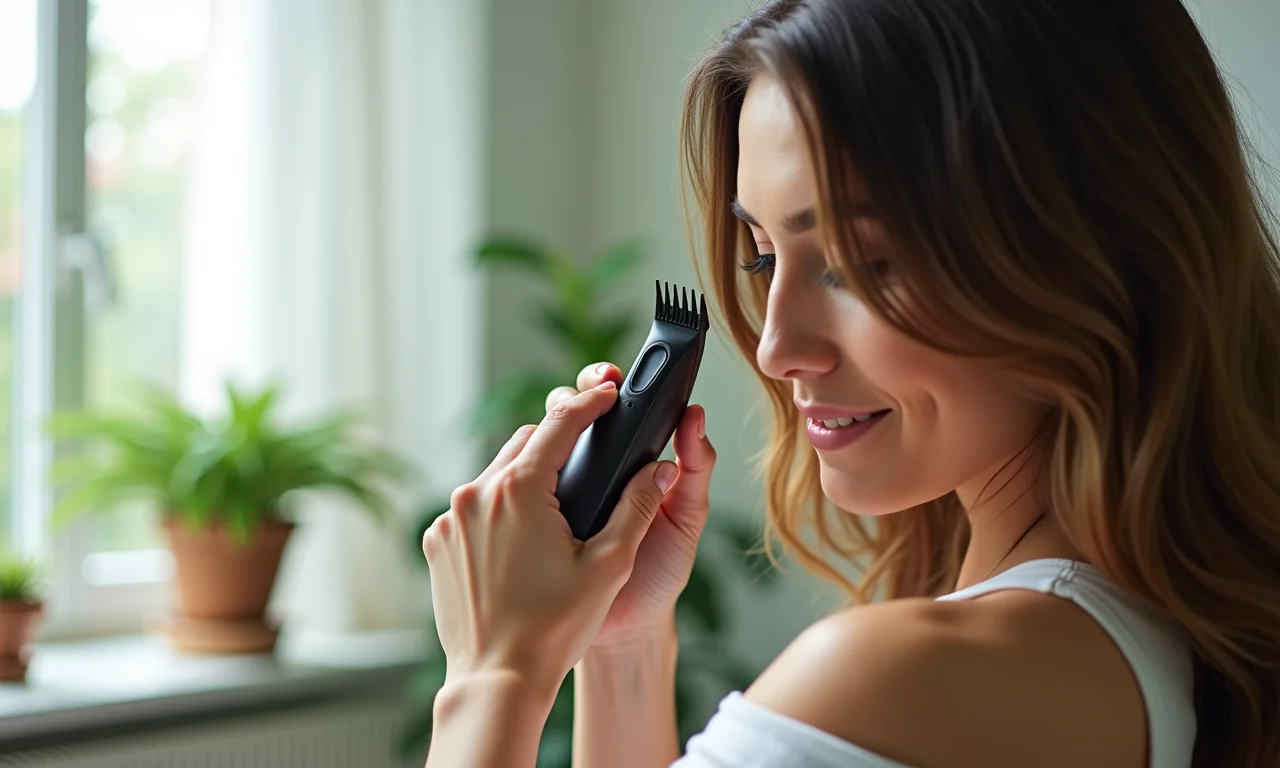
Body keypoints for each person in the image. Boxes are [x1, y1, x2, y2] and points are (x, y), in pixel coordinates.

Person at [419, 0, 1280, 766]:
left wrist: (494, 676)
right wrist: (622, 647)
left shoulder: (900, 682)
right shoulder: (1134, 642)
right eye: (763, 255)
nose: (777, 348)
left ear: (1090, 255)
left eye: (863, 265)